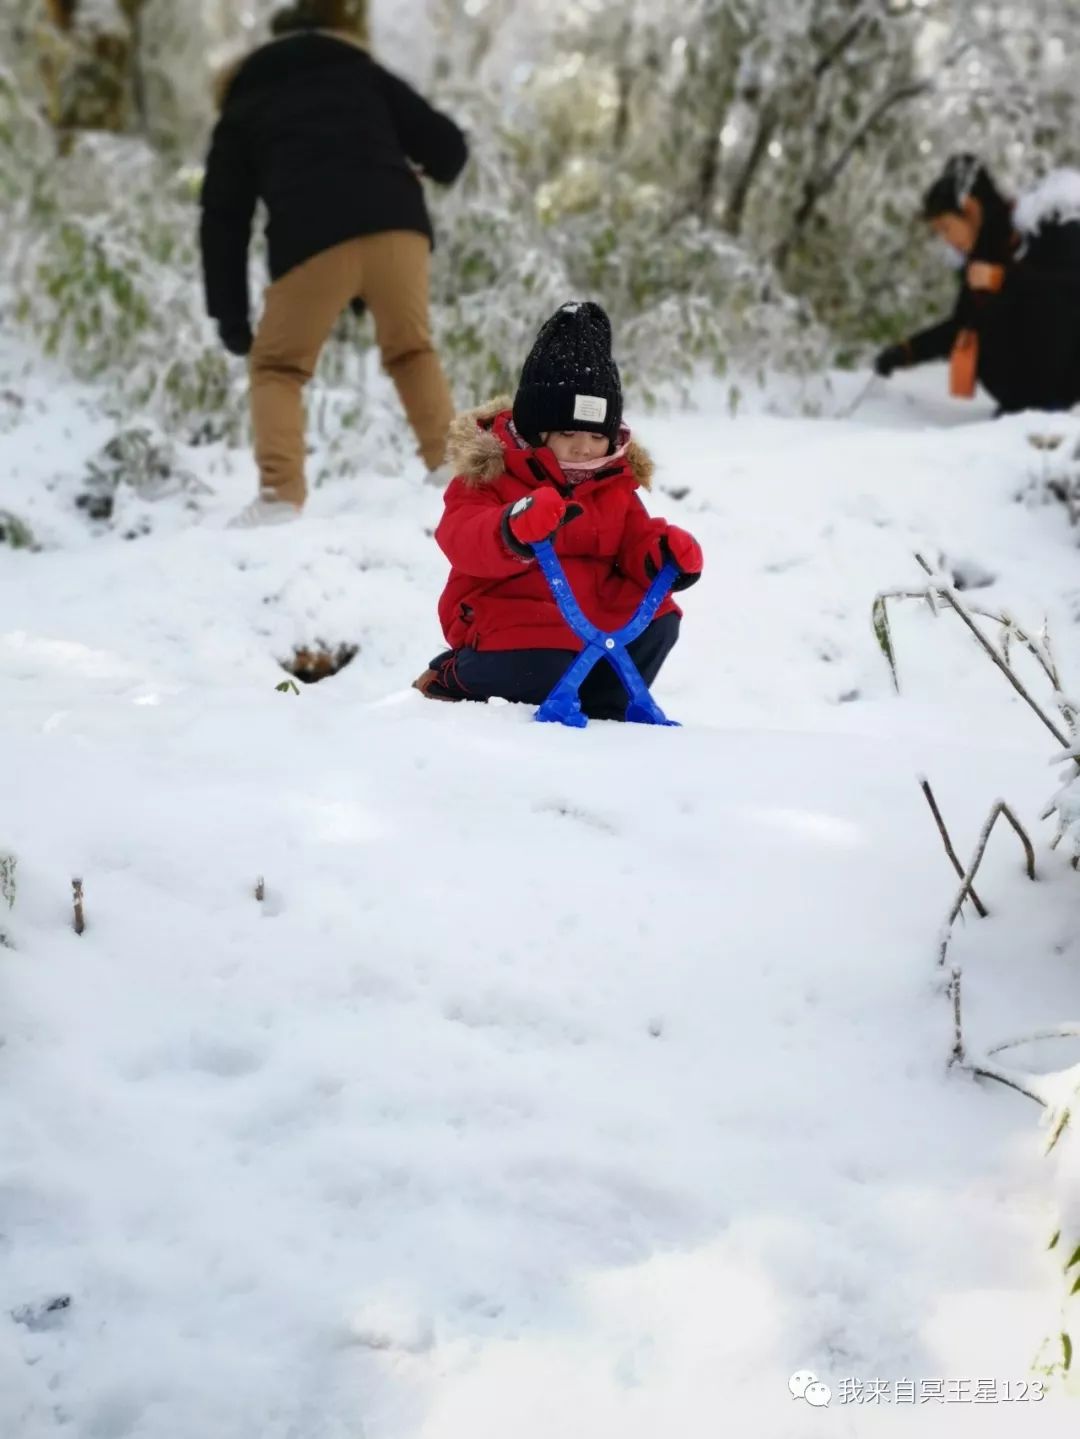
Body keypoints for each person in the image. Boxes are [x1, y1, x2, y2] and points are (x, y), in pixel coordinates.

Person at [200, 0, 468, 526]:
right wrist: (407, 167)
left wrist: (230, 317)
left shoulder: (245, 99)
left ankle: (281, 497)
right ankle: (453, 473)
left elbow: (223, 218)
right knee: (412, 349)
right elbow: (449, 149)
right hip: (398, 229)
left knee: (278, 367)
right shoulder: (360, 72)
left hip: (311, 241)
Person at [413, 302, 703, 721]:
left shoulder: (613, 480)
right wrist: (512, 527)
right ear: (536, 429)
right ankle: (454, 675)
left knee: (659, 618)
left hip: (588, 616)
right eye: (567, 432)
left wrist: (660, 553)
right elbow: (461, 534)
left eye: (595, 435)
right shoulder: (493, 470)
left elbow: (633, 537)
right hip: (507, 609)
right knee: (544, 661)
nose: (583, 447)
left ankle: (606, 704)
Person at [874, 154, 1080, 414]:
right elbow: (963, 325)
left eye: (946, 228)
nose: (946, 240)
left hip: (1063, 392)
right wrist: (907, 352)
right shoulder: (983, 256)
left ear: (970, 208)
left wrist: (1005, 280)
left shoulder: (1047, 226)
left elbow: (1070, 290)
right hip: (1020, 403)